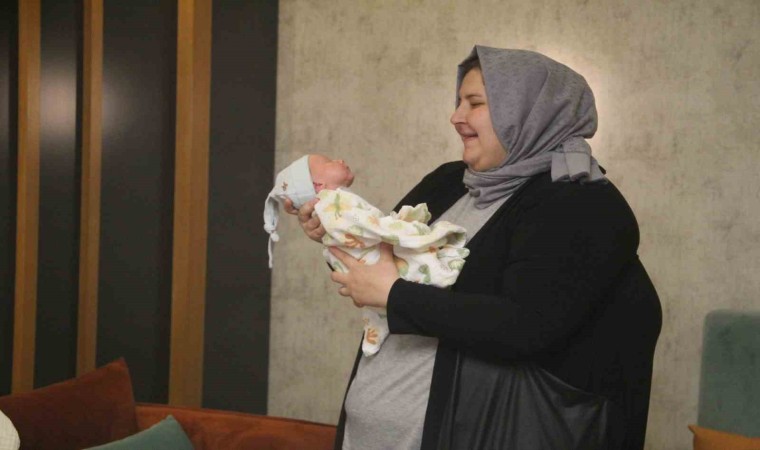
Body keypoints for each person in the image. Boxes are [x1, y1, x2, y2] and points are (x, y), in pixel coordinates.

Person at [285, 45, 661, 450]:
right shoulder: (449, 181)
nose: (456, 116)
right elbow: (382, 265)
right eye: (459, 101)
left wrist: (395, 297)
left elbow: (528, 326)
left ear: (526, 112)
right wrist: (336, 227)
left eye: (475, 103)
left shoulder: (579, 203)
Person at [267, 154, 471, 355]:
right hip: (377, 271)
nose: (339, 160)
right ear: (318, 185)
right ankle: (441, 271)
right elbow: (372, 228)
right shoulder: (333, 202)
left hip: (387, 286)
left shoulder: (333, 204)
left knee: (384, 302)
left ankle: (377, 327)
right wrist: (415, 233)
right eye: (329, 162)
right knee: (417, 260)